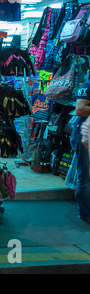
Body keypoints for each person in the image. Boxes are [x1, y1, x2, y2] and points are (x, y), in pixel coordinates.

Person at [73, 80, 90, 223]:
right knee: (84, 175)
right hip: (85, 134)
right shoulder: (87, 85)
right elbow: (80, 109)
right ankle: (86, 213)